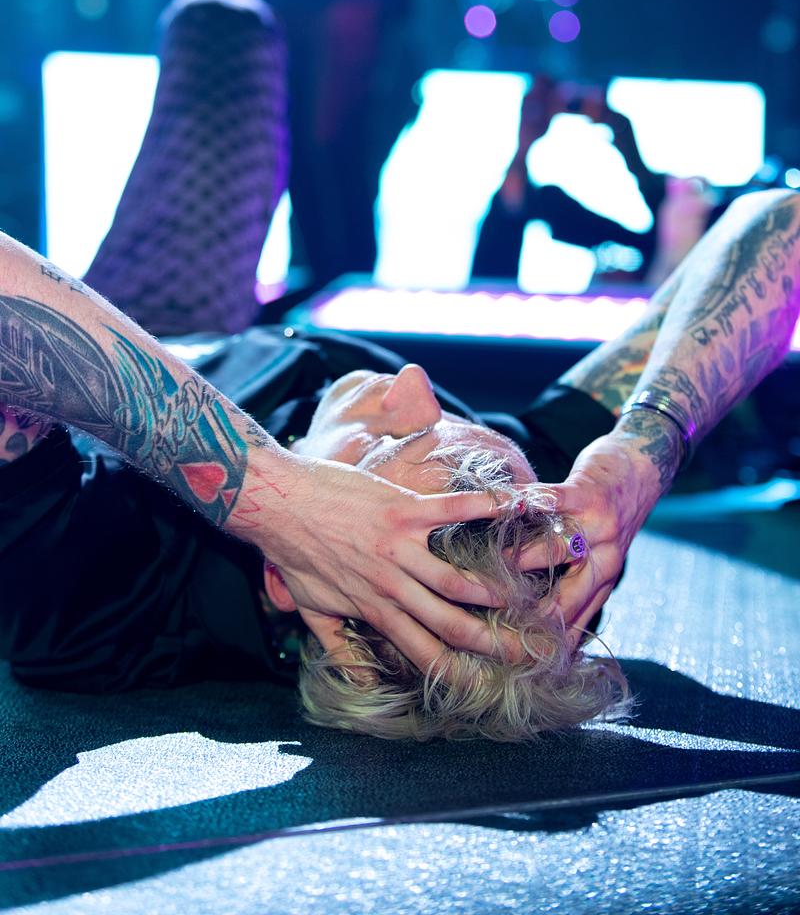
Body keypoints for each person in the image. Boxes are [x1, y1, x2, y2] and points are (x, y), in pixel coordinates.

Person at [1, 187, 798, 741]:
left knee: (222, 25)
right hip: (239, 330)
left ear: (286, 577)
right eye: (452, 420)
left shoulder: (96, 595)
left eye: (386, 446)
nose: (414, 385)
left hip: (131, 322)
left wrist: (270, 495)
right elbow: (783, 223)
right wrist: (644, 448)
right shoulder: (507, 521)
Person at [470, 73, 709, 286]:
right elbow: (510, 213)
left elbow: (666, 228)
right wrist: (525, 142)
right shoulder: (548, 204)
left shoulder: (662, 239)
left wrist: (618, 125)